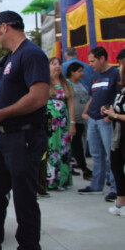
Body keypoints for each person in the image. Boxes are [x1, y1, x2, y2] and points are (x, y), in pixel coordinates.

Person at [0, 11, 50, 250]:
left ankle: (28, 246)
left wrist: (2, 114)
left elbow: (39, 97)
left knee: (24, 198)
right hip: (4, 137)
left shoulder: (31, 54)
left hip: (25, 136)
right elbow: (10, 99)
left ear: (4, 28)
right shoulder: (9, 59)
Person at [78, 46, 119, 203]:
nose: (91, 64)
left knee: (111, 155)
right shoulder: (95, 75)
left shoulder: (114, 74)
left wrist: (111, 115)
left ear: (102, 58)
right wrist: (86, 112)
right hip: (93, 119)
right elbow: (92, 96)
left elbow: (120, 96)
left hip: (106, 120)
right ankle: (96, 185)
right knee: (96, 155)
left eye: (93, 61)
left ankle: (116, 189)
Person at [102, 48, 125, 217]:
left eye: (121, 63)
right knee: (116, 167)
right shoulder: (122, 89)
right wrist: (110, 111)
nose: (120, 67)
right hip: (118, 135)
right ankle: (120, 202)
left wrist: (114, 114)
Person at [47, 57, 75, 190]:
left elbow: (71, 104)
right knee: (51, 150)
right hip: (48, 123)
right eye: (54, 64)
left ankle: (62, 180)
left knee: (63, 150)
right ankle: (49, 180)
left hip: (63, 122)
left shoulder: (66, 83)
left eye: (59, 64)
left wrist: (72, 123)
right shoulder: (44, 83)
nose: (57, 67)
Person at [66, 62, 92, 180]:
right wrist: (71, 121)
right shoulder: (67, 84)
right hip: (73, 120)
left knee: (79, 143)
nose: (82, 73)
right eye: (79, 71)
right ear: (72, 72)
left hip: (82, 120)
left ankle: (76, 166)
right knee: (76, 144)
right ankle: (84, 168)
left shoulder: (80, 84)